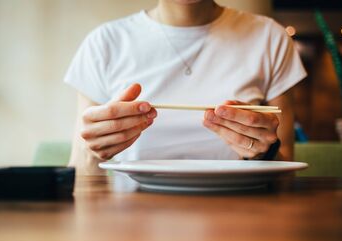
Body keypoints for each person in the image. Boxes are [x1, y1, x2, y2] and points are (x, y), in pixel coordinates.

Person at [65, 0, 307, 175]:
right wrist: (94, 149)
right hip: (131, 222)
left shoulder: (270, 37)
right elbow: (81, 172)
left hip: (239, 220)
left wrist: (264, 152)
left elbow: (285, 177)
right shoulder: (104, 42)